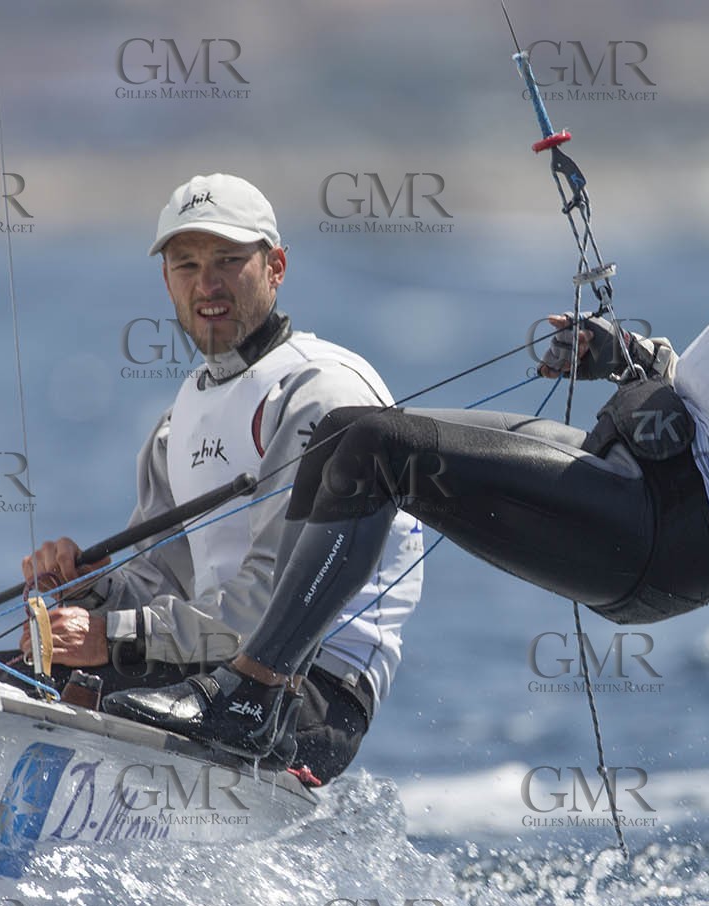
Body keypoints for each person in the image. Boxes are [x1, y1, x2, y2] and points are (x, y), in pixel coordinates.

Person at [103, 76, 709, 732]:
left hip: (677, 537)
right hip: (644, 486)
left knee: (377, 450)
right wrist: (631, 358)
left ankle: (257, 698)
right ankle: (255, 687)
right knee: (345, 437)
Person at [23, 173, 424, 783]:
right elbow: (164, 584)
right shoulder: (174, 422)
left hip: (305, 687)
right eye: (186, 265)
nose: (206, 284)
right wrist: (89, 594)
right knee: (8, 673)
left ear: (276, 266)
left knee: (74, 688)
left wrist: (109, 635)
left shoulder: (320, 392)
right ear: (166, 281)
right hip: (207, 667)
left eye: (228, 260)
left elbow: (270, 599)